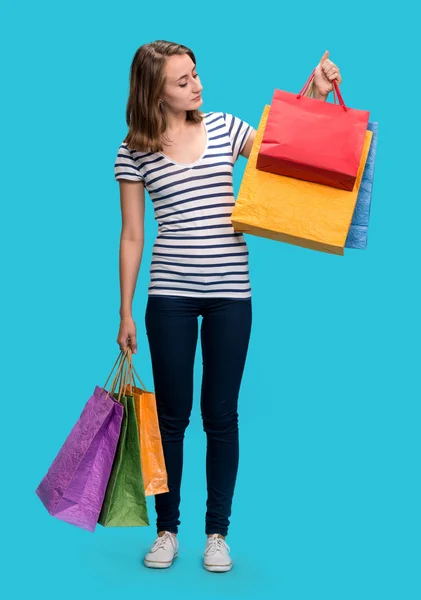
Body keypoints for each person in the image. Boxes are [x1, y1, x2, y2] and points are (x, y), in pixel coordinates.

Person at [114, 40, 342, 572]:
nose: (196, 85)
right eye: (182, 81)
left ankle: (217, 534)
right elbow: (131, 235)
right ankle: (166, 531)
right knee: (171, 418)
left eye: (195, 74)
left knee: (221, 415)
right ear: (155, 93)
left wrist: (314, 91)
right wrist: (124, 311)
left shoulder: (225, 127)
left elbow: (283, 153)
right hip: (168, 296)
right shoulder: (133, 149)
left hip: (230, 295)